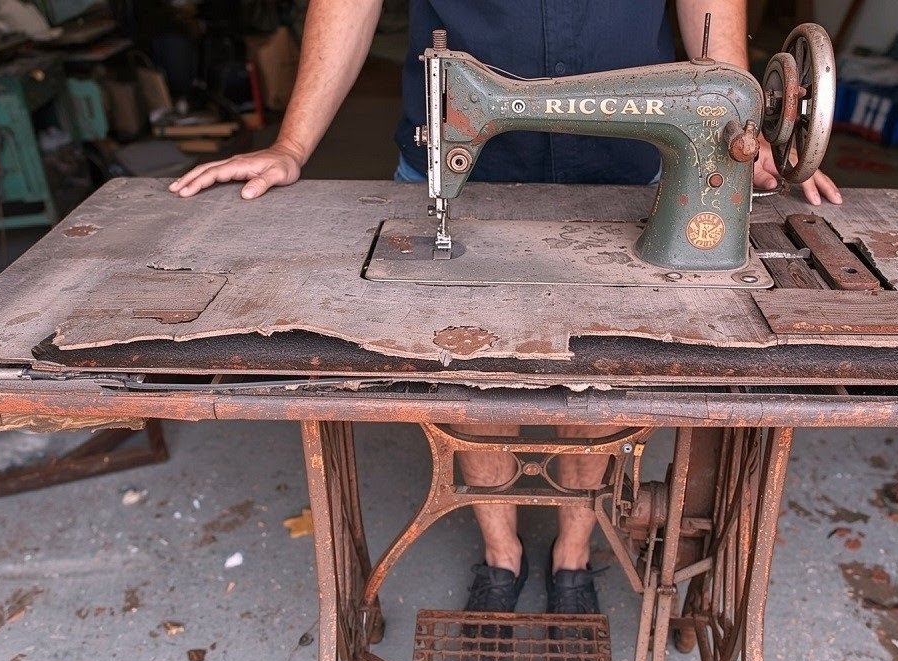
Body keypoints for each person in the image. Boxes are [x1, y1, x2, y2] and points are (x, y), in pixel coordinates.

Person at [169, 0, 841, 622]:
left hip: (627, 168)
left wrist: (738, 131)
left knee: (610, 372)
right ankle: (502, 552)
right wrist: (293, 144)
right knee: (461, 373)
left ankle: (573, 555)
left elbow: (710, 7)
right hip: (463, 158)